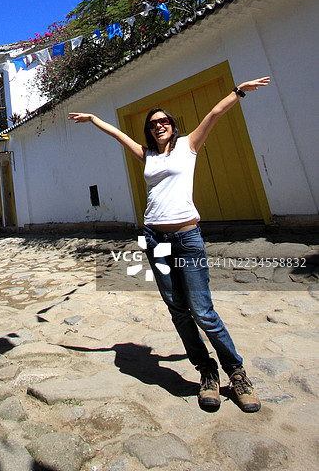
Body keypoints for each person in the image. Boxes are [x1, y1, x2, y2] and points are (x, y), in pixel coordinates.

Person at [68, 76, 270, 413]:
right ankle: (206, 372)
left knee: (203, 311)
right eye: (153, 123)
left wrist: (238, 92)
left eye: (164, 121)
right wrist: (92, 120)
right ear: (149, 131)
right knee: (178, 309)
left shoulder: (188, 145)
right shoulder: (146, 155)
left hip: (187, 238)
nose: (159, 125)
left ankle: (236, 373)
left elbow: (214, 115)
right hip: (154, 238)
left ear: (172, 126)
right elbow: (119, 136)